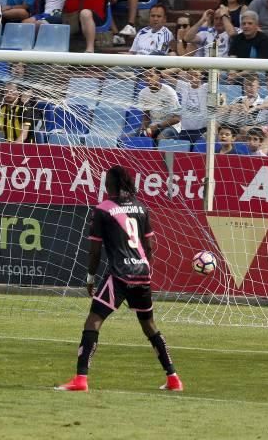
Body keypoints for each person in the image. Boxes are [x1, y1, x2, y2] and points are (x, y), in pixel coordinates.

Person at [56, 165, 183, 393]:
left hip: (119, 275)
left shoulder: (103, 210)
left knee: (93, 321)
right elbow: (150, 245)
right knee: (149, 325)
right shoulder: (141, 208)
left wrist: (90, 277)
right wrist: (145, 267)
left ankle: (81, 379)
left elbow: (95, 250)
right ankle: (173, 377)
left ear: (111, 184)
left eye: (106, 180)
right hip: (142, 274)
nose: (104, 183)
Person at [136, 68, 181, 142]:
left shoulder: (169, 92)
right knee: (126, 138)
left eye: (151, 76)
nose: (148, 78)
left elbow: (177, 118)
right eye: (145, 76)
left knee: (160, 139)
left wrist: (158, 126)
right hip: (153, 126)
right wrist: (144, 128)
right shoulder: (142, 93)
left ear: (159, 77)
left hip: (171, 127)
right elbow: (146, 117)